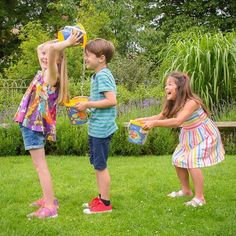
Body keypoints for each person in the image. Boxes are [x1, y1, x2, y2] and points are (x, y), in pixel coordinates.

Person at [14, 32, 81, 218]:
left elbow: (51, 49)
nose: (43, 56)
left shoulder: (52, 74)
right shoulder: (44, 71)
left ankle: (50, 207)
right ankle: (47, 198)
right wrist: (52, 45)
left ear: (58, 59)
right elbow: (41, 48)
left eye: (47, 54)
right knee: (39, 165)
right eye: (42, 54)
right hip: (30, 123)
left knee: (40, 166)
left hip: (34, 126)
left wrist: (65, 43)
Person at [136, 71, 225, 207]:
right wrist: (140, 120)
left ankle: (200, 198)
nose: (166, 88)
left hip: (205, 135)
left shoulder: (192, 102)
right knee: (177, 159)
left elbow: (178, 121)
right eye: (166, 85)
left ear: (180, 87)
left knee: (192, 161)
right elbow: (160, 116)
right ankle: (186, 191)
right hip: (189, 135)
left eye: (170, 84)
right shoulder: (172, 103)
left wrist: (154, 124)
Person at [76, 38, 117, 214]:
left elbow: (111, 101)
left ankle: (105, 204)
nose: (85, 59)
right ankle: (100, 198)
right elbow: (102, 99)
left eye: (88, 56)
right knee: (97, 165)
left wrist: (88, 105)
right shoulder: (99, 75)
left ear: (101, 58)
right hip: (97, 127)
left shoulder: (103, 75)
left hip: (102, 129)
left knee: (101, 166)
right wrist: (87, 103)